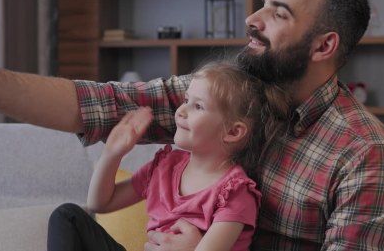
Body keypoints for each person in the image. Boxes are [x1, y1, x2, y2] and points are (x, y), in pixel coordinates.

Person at [0, 0, 384, 250]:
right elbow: (102, 105)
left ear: (324, 46)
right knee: (69, 220)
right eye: (262, 3)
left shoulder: (364, 155)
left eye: (277, 14)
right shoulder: (225, 92)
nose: (252, 20)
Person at [47, 62, 290, 251]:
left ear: (233, 131)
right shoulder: (165, 166)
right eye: (186, 100)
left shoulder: (235, 193)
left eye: (198, 106)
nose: (181, 111)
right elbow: (100, 203)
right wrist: (113, 153)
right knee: (67, 215)